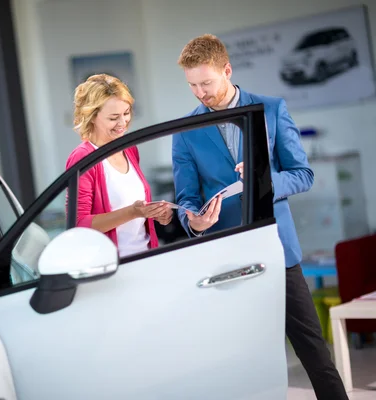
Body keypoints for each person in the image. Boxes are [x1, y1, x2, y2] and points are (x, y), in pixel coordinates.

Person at [172, 34, 348, 399]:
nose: (200, 93)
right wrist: (194, 221)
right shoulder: (185, 131)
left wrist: (265, 181)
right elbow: (187, 199)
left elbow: (303, 174)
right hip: (225, 256)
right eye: (192, 86)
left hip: (278, 250)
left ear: (227, 70)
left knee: (313, 349)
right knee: (240, 355)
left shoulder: (271, 109)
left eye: (206, 83)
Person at [66, 74, 172, 257]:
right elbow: (79, 224)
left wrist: (156, 214)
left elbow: (134, 215)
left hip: (146, 256)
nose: (123, 123)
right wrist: (133, 212)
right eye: (113, 117)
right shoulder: (82, 158)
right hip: (112, 266)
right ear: (91, 117)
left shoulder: (129, 149)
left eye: (126, 113)